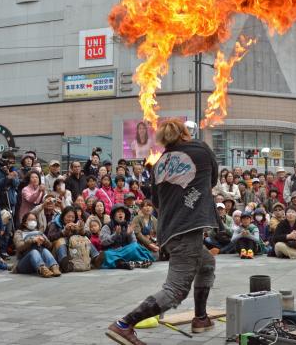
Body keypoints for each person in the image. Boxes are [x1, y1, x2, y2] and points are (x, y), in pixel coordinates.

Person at [106, 119, 220, 343]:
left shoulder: (158, 163)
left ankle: (200, 318)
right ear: (185, 133)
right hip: (186, 229)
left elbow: (156, 202)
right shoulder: (201, 149)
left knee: (207, 264)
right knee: (175, 290)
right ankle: (124, 324)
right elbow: (212, 180)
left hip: (171, 229)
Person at [46, 206, 102, 273]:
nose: (70, 219)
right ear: (63, 216)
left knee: (85, 238)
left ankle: (96, 258)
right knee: (61, 240)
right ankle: (64, 263)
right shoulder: (55, 223)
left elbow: (89, 235)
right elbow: (49, 237)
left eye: (73, 217)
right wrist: (63, 232)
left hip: (72, 251)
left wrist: (81, 231)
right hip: (57, 251)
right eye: (68, 216)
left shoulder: (76, 224)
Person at [100, 204, 154, 270]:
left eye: (122, 212)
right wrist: (115, 235)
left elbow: (134, 243)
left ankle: (127, 263)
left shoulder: (128, 226)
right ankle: (128, 263)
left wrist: (129, 234)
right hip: (114, 252)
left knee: (135, 247)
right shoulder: (107, 226)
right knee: (107, 254)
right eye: (118, 212)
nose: (121, 214)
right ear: (114, 215)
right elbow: (103, 242)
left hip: (126, 250)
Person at [13, 212, 61, 278]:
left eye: (34, 220)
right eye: (30, 220)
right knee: (34, 252)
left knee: (44, 250)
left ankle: (54, 267)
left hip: (36, 262)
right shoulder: (19, 232)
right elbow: (19, 246)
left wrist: (44, 240)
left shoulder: (39, 232)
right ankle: (42, 270)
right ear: (24, 222)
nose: (33, 222)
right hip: (24, 263)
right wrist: (32, 240)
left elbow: (50, 246)